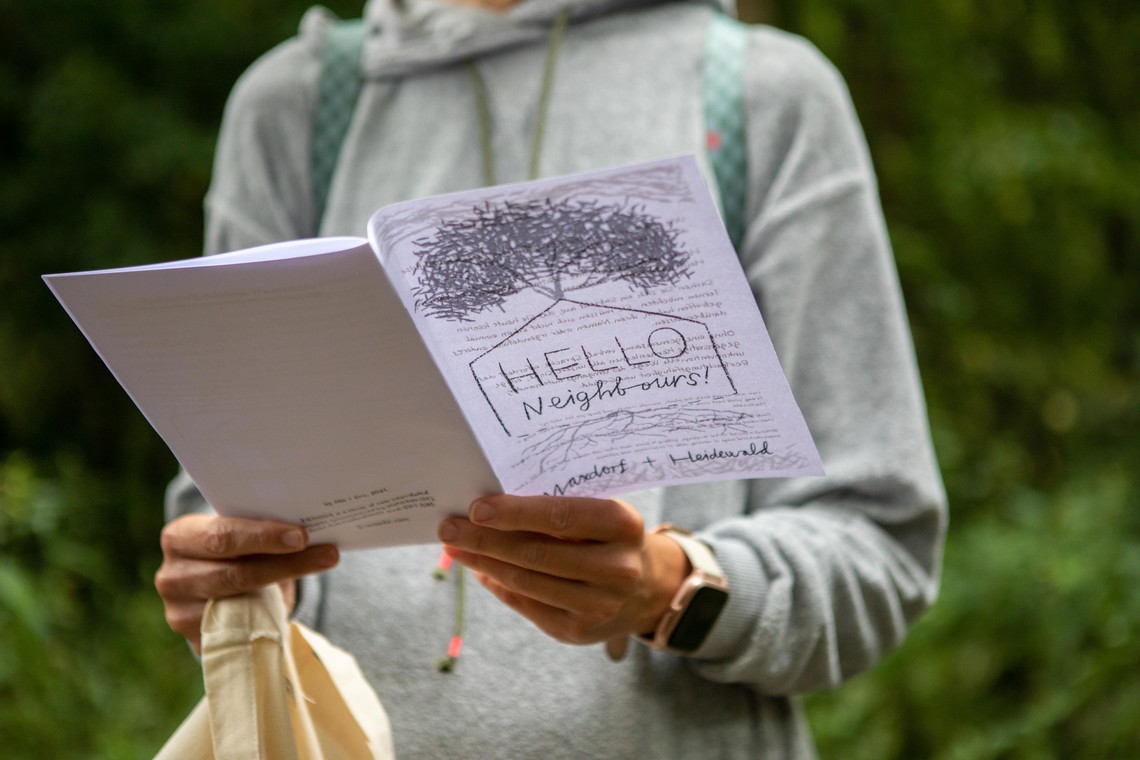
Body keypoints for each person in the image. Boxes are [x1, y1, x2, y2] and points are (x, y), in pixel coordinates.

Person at [156, 0, 948, 756]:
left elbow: (877, 544)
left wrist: (672, 590)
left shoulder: (761, 94)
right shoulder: (293, 110)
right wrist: (230, 582)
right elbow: (224, 503)